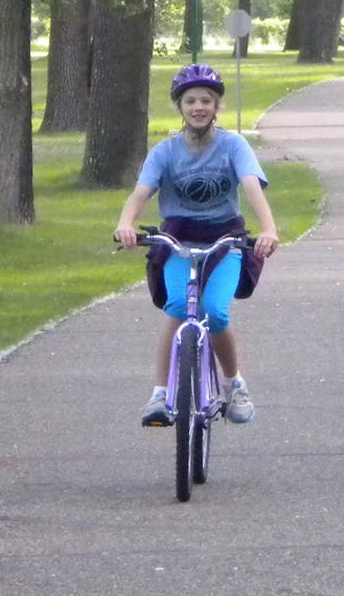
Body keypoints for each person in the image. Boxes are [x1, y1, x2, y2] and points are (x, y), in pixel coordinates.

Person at [114, 63, 280, 427]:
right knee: (177, 307)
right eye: (191, 101)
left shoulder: (233, 145)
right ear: (181, 107)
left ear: (216, 106)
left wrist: (268, 228)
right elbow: (140, 193)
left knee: (216, 312)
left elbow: (251, 185)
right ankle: (159, 395)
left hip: (224, 241)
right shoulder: (165, 151)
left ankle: (234, 383)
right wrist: (126, 224)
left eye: (206, 100)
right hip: (177, 242)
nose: (199, 106)